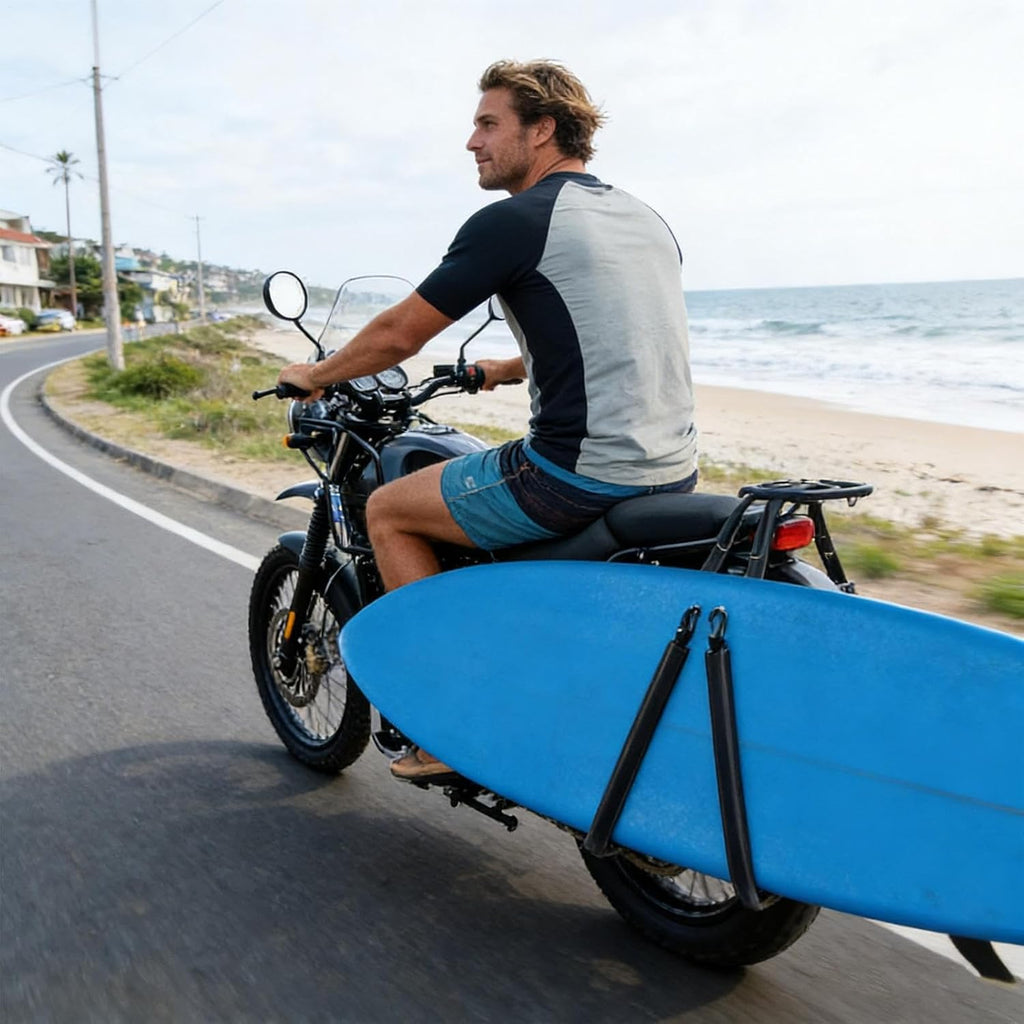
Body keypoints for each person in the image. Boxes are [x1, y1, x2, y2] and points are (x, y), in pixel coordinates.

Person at [278, 59, 698, 781]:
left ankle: (449, 725)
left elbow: (399, 334)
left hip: (575, 476)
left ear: (542, 130)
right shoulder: (643, 218)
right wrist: (506, 367)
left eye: (487, 124)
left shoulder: (513, 222)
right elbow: (617, 335)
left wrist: (313, 375)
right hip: (673, 470)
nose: (471, 142)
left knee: (389, 510)